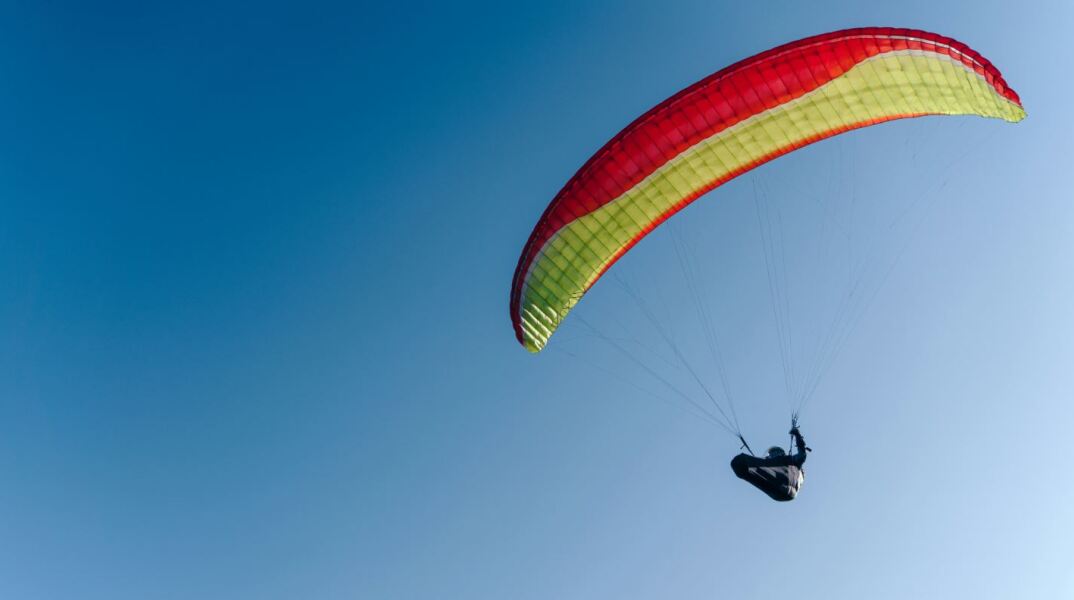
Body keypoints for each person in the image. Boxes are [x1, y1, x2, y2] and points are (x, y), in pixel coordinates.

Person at [730, 426, 810, 502]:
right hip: (779, 492)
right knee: (739, 463)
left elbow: (802, 455)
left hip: (785, 486)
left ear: (778, 452)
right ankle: (744, 468)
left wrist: (797, 434)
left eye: (771, 454)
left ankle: (744, 466)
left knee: (742, 461)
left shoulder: (790, 461)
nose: (770, 456)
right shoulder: (779, 463)